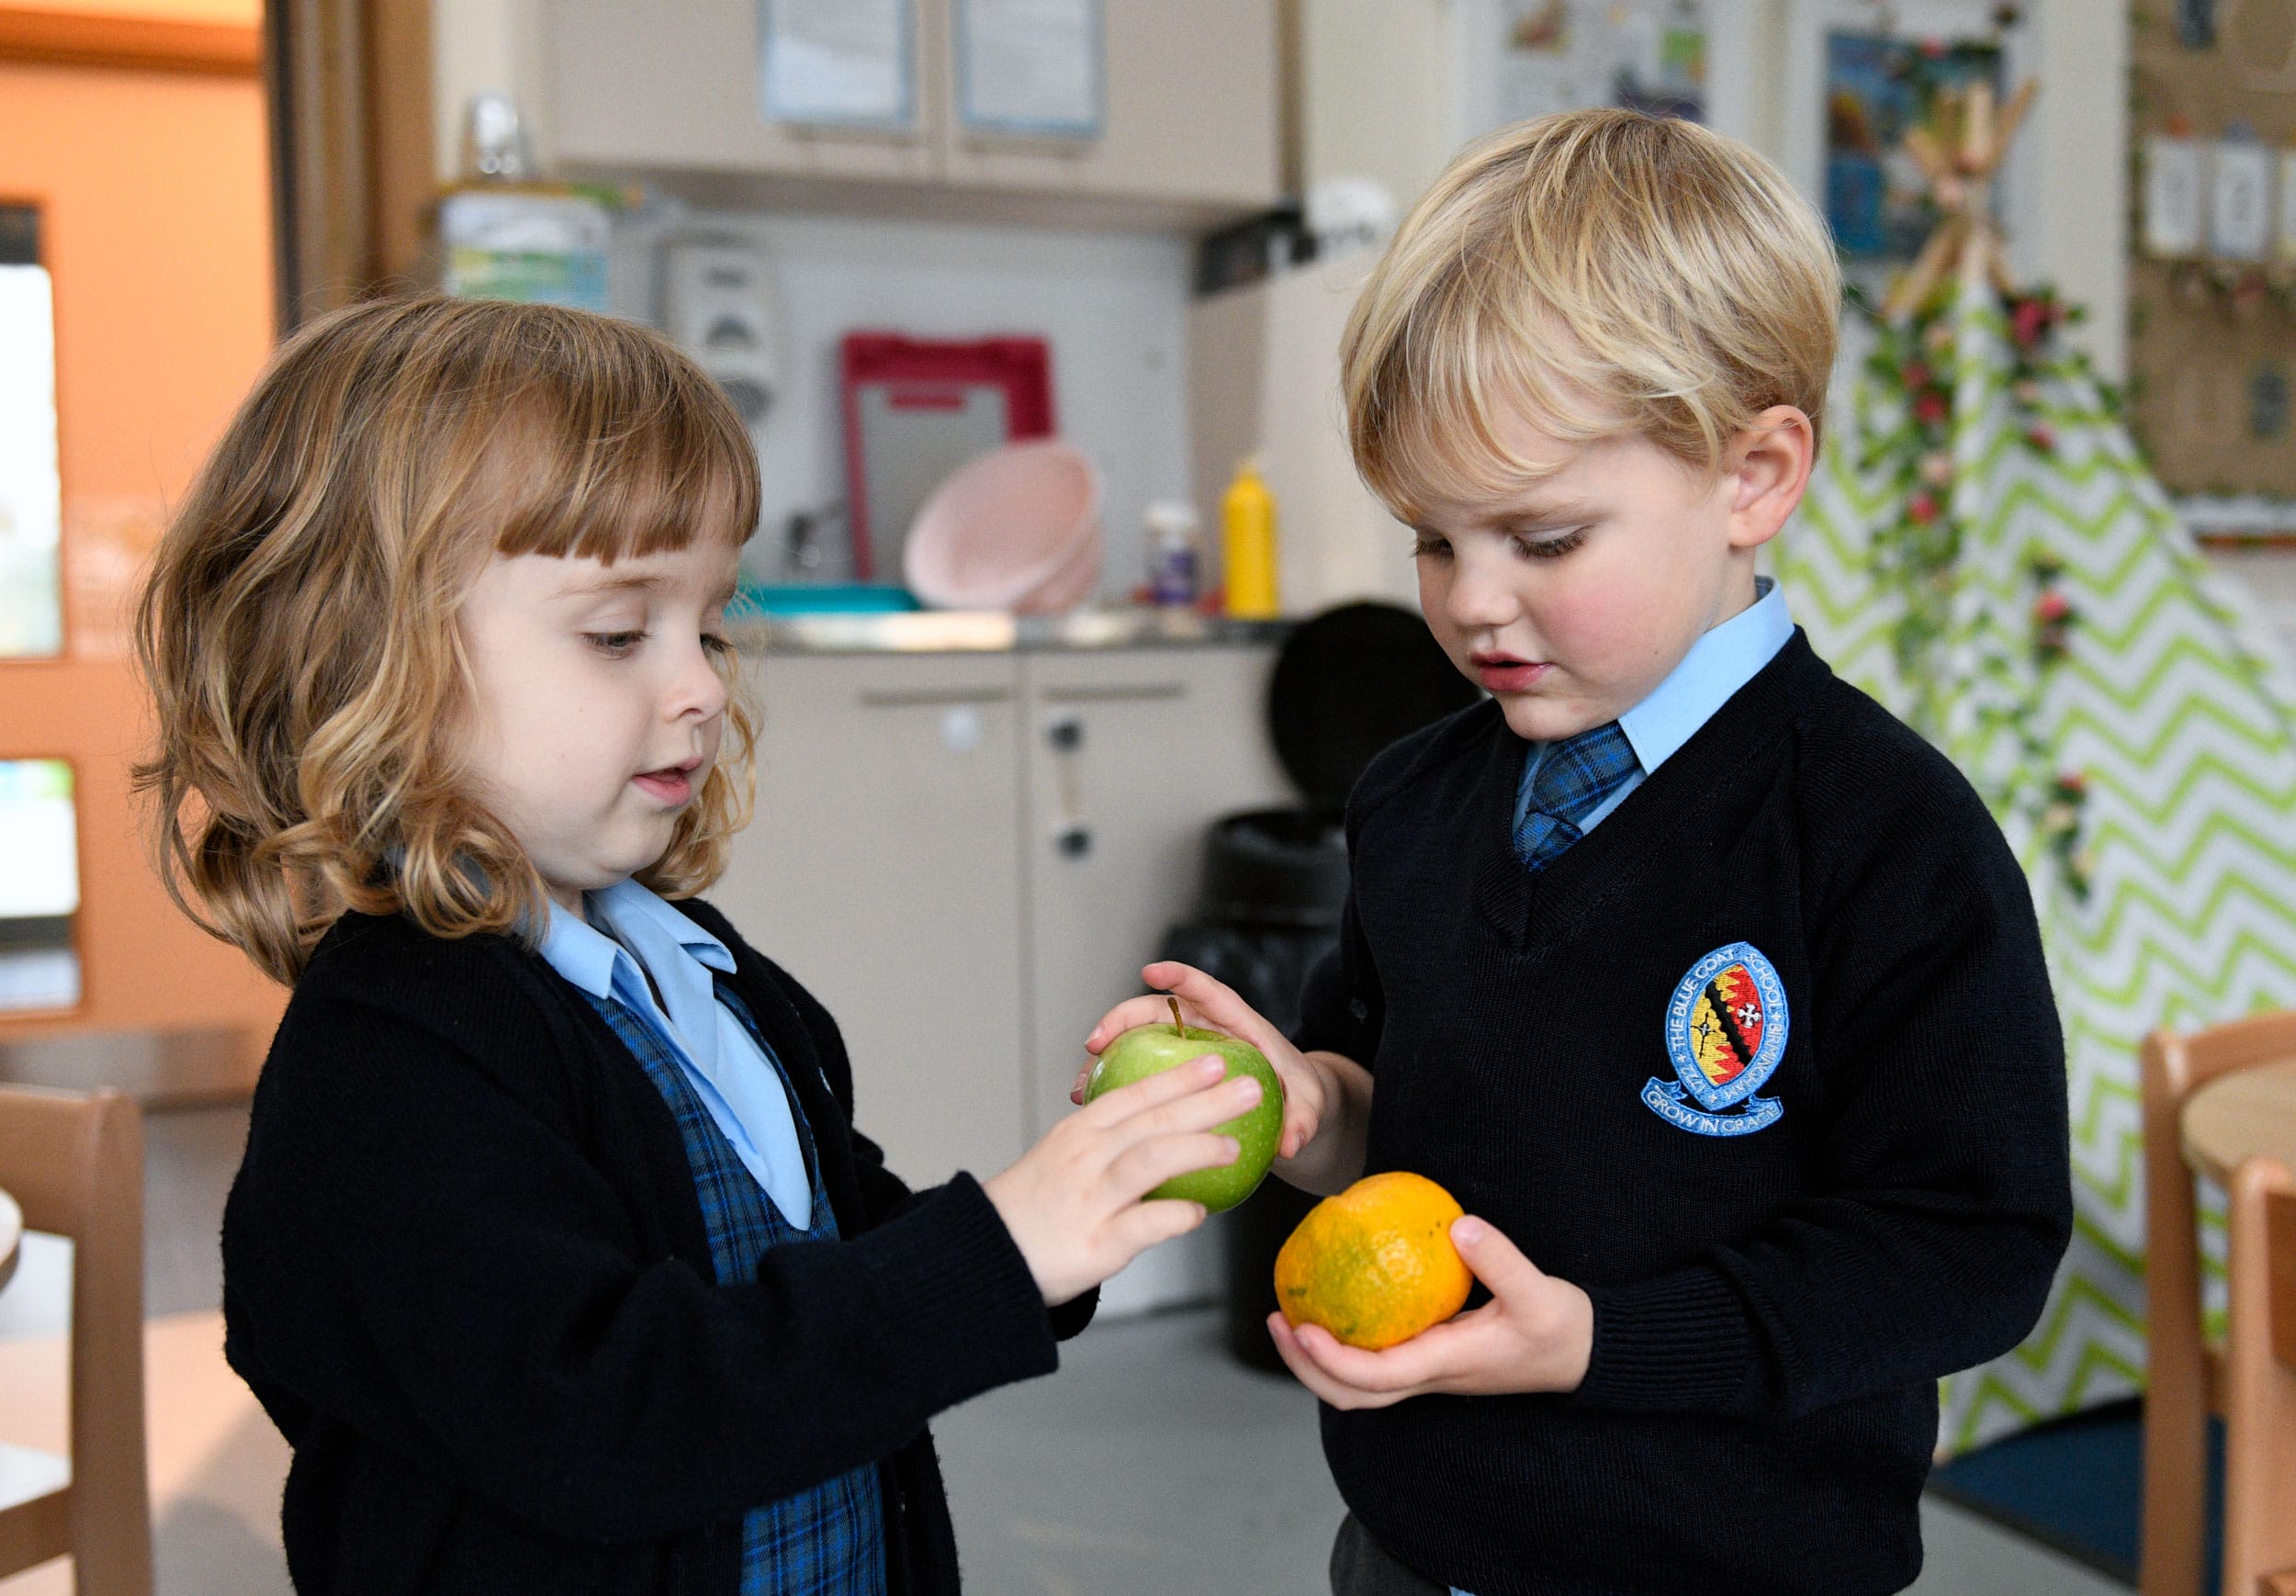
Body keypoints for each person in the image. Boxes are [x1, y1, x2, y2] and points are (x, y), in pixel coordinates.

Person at [1086, 109, 2072, 1596]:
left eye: (1544, 540)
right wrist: (1308, 1102)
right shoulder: (1411, 800)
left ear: (1754, 475)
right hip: (1416, 1547)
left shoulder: (1887, 835)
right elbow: (1397, 1108)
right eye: (1432, 538)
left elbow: (1971, 1246)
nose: (1475, 603)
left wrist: (1602, 1342)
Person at [136, 294, 1260, 1595]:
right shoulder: (382, 1065)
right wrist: (995, 1253)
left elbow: (835, 1251)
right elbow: (605, 1415)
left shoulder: (698, 974)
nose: (706, 686)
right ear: (360, 664)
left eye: (709, 625)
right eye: (620, 633)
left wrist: (1078, 1210)